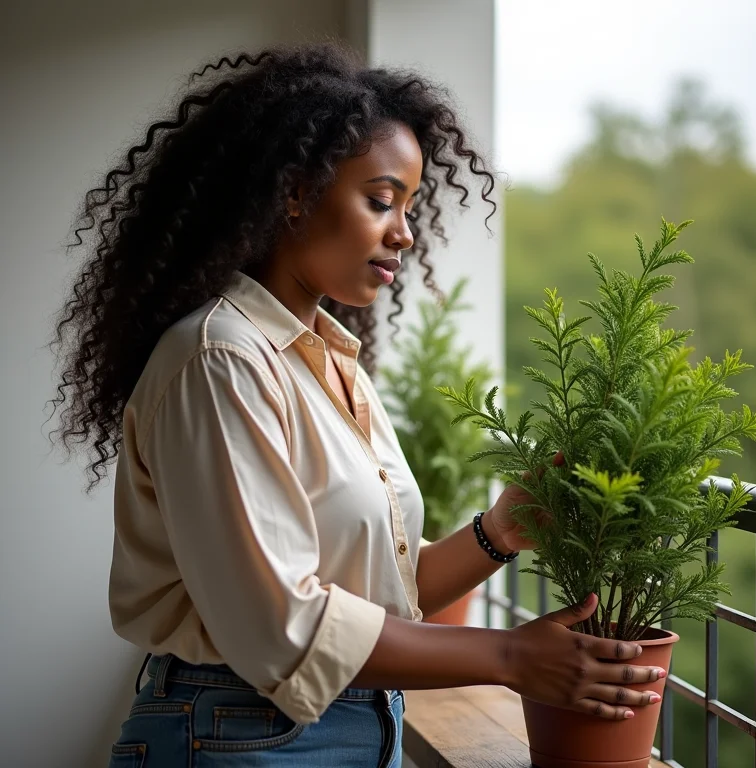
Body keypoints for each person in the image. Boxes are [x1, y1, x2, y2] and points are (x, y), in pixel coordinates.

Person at [48, 40, 665, 768]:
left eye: (410, 206)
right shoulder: (220, 361)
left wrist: (499, 532)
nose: (404, 232)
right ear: (294, 192)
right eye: (381, 200)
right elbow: (283, 625)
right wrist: (509, 656)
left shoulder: (328, 364)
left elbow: (378, 598)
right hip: (238, 735)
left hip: (346, 725)